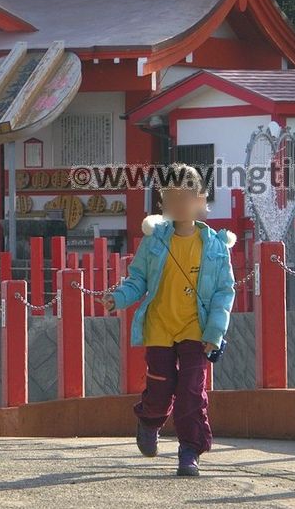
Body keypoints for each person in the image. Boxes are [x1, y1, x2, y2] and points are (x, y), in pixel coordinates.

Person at [101, 163, 236, 476]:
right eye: (169, 197)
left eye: (184, 196)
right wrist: (117, 298)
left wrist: (215, 331)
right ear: (162, 202)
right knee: (160, 388)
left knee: (191, 392)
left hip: (196, 330)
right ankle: (149, 421)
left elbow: (223, 293)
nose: (177, 203)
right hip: (160, 327)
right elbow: (137, 279)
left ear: (201, 199)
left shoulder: (216, 246)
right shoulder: (155, 241)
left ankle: (190, 450)